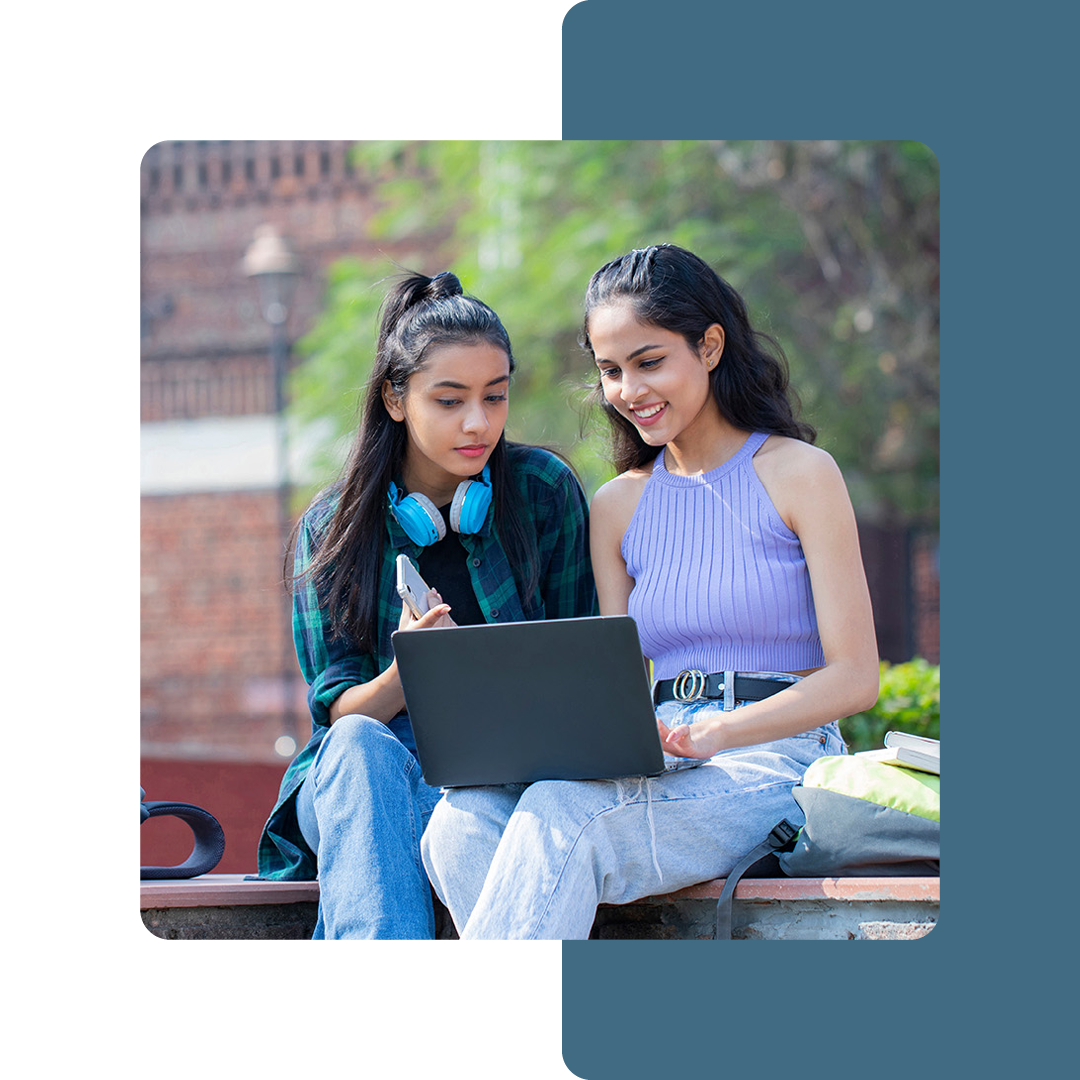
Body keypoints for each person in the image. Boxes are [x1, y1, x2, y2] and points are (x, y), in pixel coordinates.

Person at [421, 243, 879, 939]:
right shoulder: (617, 506)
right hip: (658, 754)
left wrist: (722, 730)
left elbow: (856, 677)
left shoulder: (800, 474)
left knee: (563, 816)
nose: (628, 389)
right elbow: (617, 678)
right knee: (458, 822)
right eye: (610, 370)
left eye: (649, 361)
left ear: (711, 346)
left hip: (775, 759)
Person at [257, 270, 596, 939]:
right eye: (450, 400)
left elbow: (581, 664)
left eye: (495, 398)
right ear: (395, 397)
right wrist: (410, 667)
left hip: (504, 772)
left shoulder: (543, 493)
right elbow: (338, 712)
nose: (479, 423)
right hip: (371, 782)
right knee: (357, 740)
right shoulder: (334, 528)